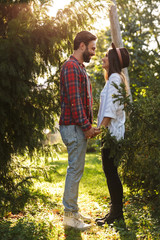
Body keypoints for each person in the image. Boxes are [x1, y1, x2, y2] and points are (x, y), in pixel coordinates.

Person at [59, 31, 97, 230]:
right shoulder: (72, 67)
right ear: (81, 46)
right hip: (73, 127)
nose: (93, 53)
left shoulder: (79, 68)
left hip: (76, 126)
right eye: (92, 48)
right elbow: (75, 102)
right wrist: (87, 127)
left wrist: (87, 126)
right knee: (75, 170)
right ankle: (70, 216)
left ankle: (72, 211)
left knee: (76, 169)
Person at [95, 43, 130, 226]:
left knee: (111, 173)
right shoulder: (113, 79)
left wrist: (99, 129)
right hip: (111, 134)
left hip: (112, 136)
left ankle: (116, 214)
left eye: (106, 56)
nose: (103, 58)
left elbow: (110, 110)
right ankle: (115, 212)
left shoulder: (115, 78)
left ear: (113, 60)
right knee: (110, 173)